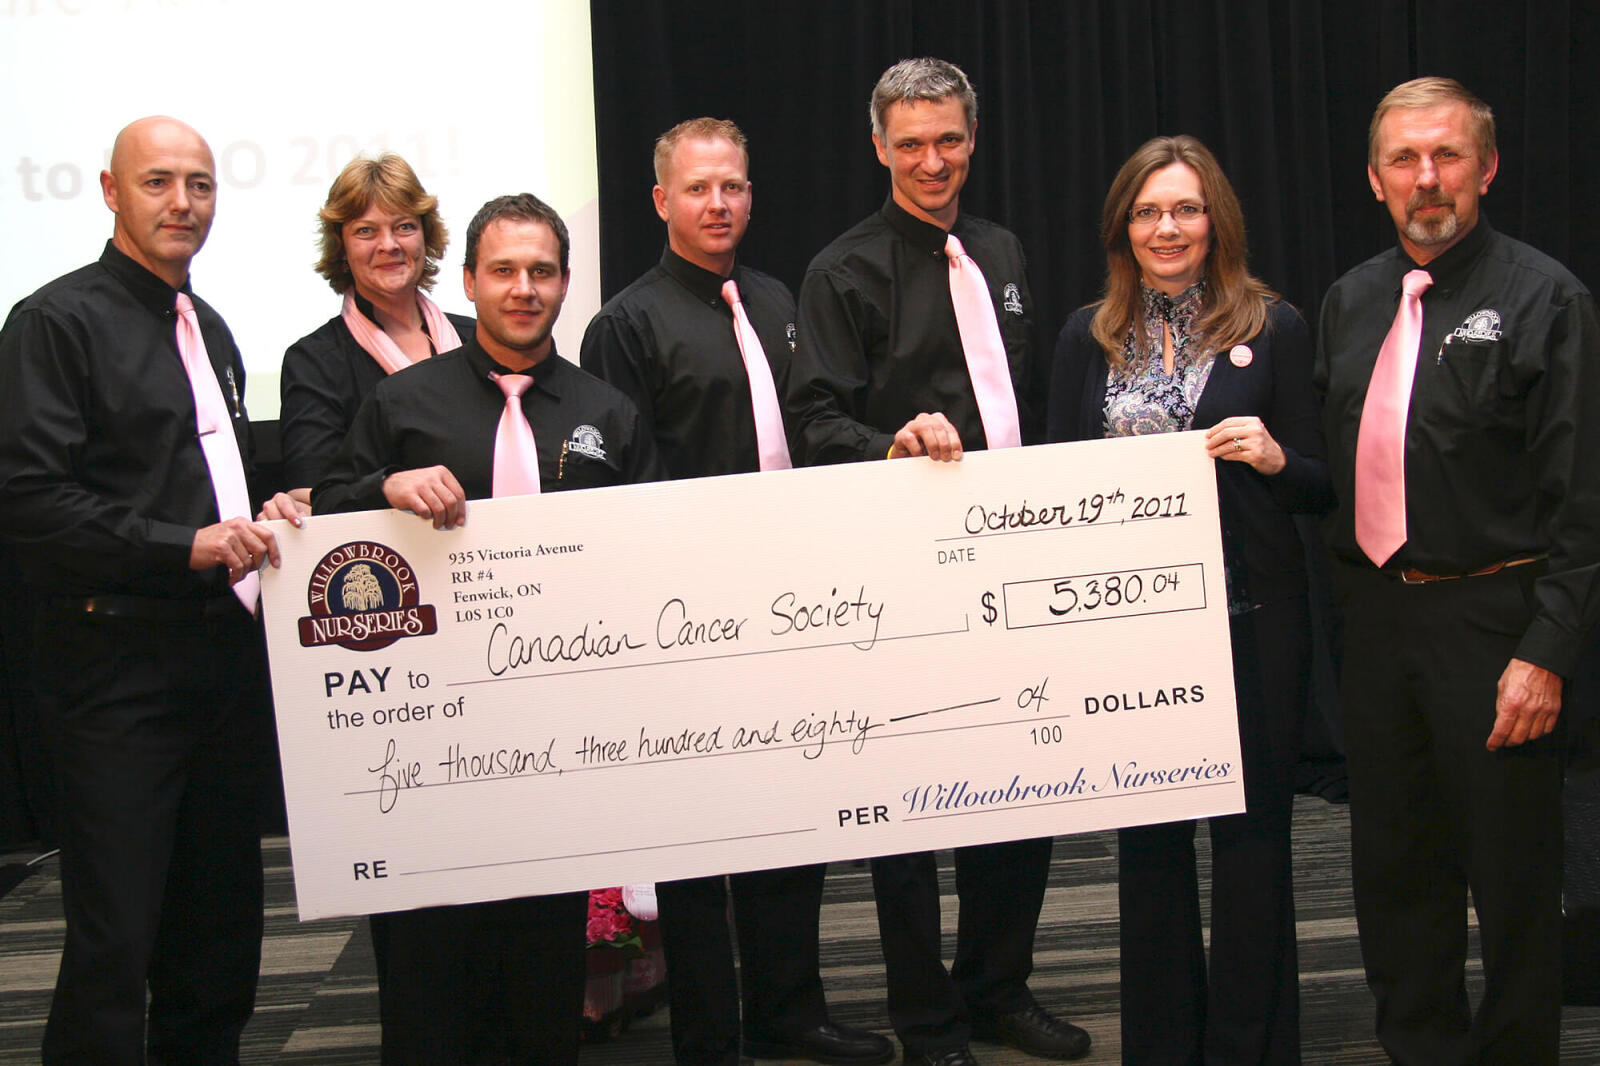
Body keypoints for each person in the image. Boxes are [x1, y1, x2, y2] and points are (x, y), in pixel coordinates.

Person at [788, 57, 1089, 1066]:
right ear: (878, 147)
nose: (931, 161)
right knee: (909, 814)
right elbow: (812, 422)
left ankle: (998, 987)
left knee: (1024, 781)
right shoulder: (840, 271)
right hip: (900, 576)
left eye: (948, 139)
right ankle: (928, 1021)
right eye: (910, 143)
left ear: (972, 138)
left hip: (1012, 559)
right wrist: (892, 442)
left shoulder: (999, 249)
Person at [315, 192, 663, 1065]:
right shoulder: (401, 404)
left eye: (541, 271)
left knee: (542, 970)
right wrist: (380, 491)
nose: (523, 289)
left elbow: (650, 564)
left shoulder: (608, 413)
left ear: (566, 283)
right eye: (503, 270)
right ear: (468, 281)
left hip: (558, 732)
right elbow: (325, 525)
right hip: (428, 736)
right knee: (430, 975)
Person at [580, 116, 894, 1066]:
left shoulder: (777, 299)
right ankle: (711, 1034)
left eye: (733, 187)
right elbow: (620, 489)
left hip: (793, 603)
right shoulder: (624, 325)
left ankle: (789, 1010)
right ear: (661, 201)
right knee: (698, 839)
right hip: (688, 618)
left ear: (751, 196)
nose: (718, 204)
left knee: (794, 817)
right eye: (698, 188)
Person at [0, 116, 301, 1065]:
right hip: (115, 673)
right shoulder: (54, 323)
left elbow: (198, 483)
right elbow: (32, 504)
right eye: (158, 182)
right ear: (109, 192)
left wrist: (263, 509)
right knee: (115, 942)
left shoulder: (207, 327)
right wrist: (187, 545)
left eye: (200, 185)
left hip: (221, 666)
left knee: (219, 941)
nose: (183, 203)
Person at [1316, 76, 1600, 1065]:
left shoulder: (1547, 299)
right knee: (1395, 869)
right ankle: (1422, 1048)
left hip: (1496, 627)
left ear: (1487, 168)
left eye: (1447, 155)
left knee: (1513, 881)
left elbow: (1583, 501)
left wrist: (1546, 653)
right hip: (1378, 625)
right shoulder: (1350, 301)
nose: (1426, 177)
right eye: (1404, 158)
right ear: (1374, 177)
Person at [1047, 135, 1330, 1066]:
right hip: (1134, 634)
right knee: (1150, 847)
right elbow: (1053, 490)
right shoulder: (1086, 337)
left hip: (1254, 622)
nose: (1167, 228)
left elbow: (1322, 483)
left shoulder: (1275, 327)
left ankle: (1251, 1047)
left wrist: (1277, 457)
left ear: (1217, 222)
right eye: (1148, 212)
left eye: (1186, 209)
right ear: (1123, 228)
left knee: (1255, 844)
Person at [280, 153, 472, 497]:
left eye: (404, 227)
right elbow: (312, 496)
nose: (389, 245)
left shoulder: (475, 338)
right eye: (366, 231)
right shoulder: (314, 362)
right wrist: (384, 488)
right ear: (341, 247)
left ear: (425, 236)